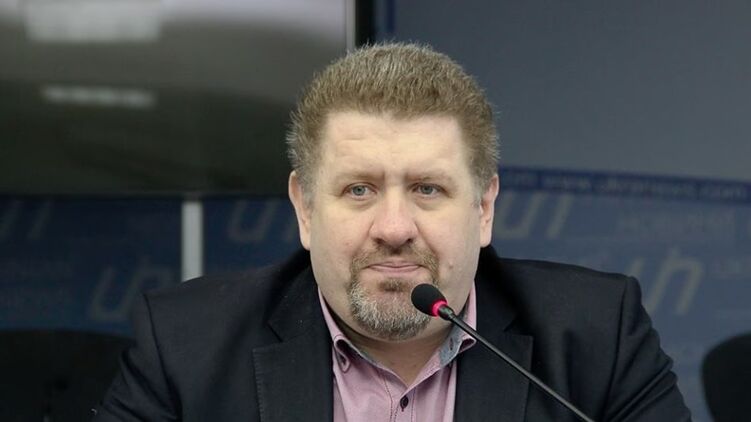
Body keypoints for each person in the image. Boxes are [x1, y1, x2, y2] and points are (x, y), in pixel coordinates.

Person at [95, 43, 691, 421]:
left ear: (484, 208)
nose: (395, 228)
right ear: (305, 209)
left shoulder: (598, 339)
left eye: (428, 189)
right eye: (360, 190)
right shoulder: (186, 347)